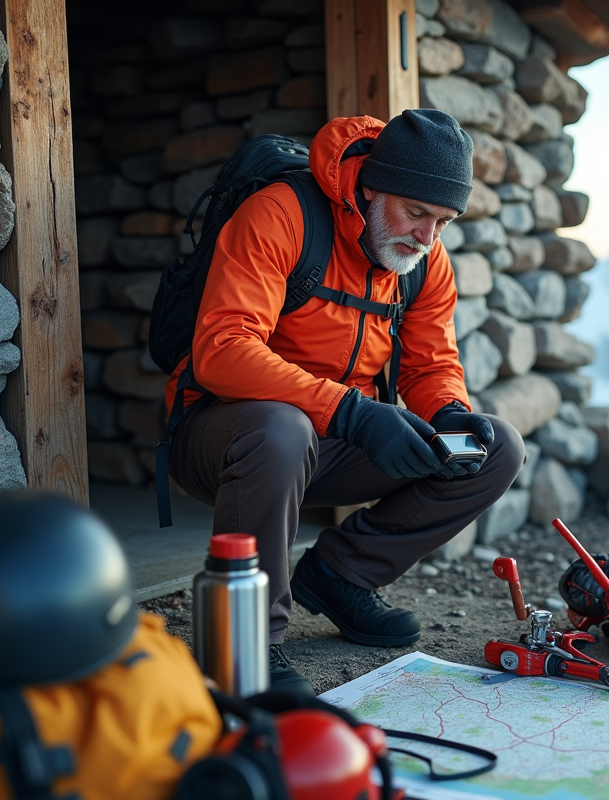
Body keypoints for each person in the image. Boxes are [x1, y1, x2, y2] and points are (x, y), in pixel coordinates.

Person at [164, 110, 525, 695]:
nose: (428, 238)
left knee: (497, 445)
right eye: (416, 214)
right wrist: (352, 413)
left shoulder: (423, 261)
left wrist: (450, 413)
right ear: (374, 187)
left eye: (444, 221)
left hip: (336, 438)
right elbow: (223, 351)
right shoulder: (281, 214)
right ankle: (246, 647)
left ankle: (339, 574)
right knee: (281, 428)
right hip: (227, 435)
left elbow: (432, 364)